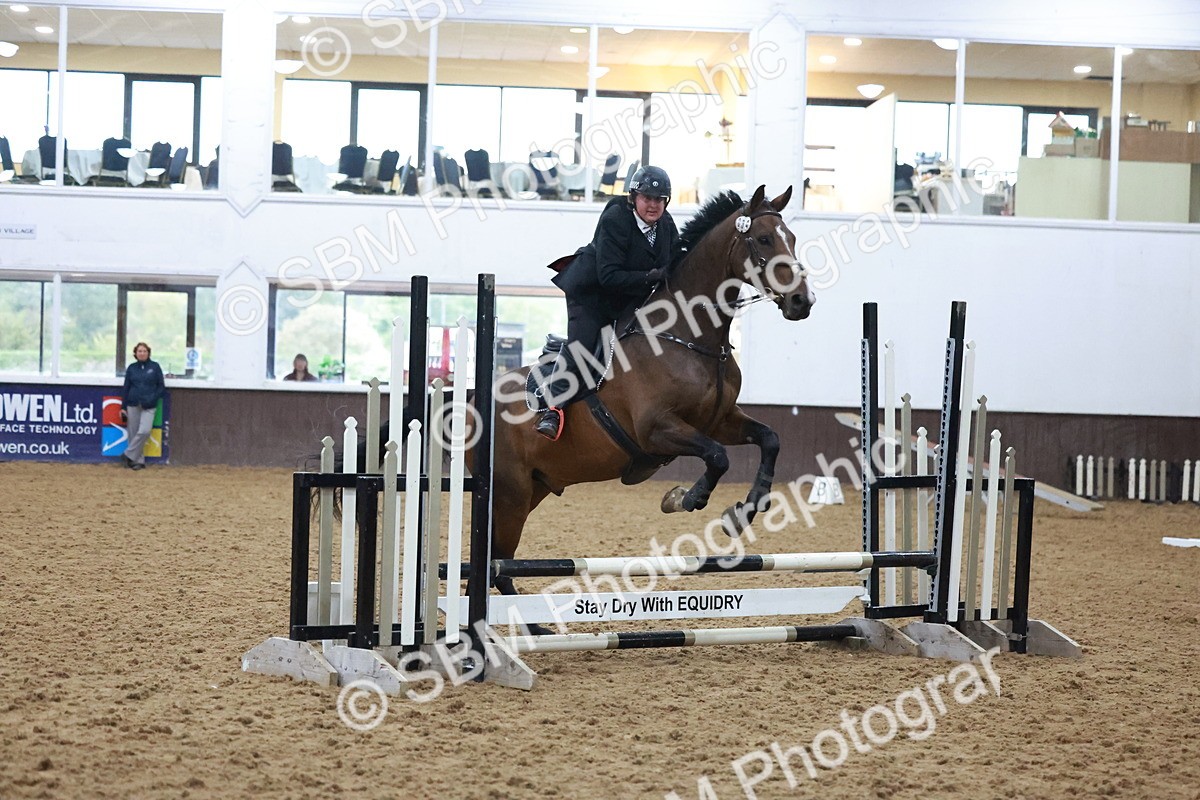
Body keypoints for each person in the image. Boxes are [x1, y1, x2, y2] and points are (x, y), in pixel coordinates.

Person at [535, 165, 680, 440]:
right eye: (647, 198)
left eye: (659, 200)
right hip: (592, 293)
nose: (653, 205)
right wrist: (652, 275)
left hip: (627, 295)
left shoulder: (666, 224)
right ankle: (553, 409)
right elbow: (609, 276)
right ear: (633, 197)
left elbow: (675, 259)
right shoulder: (615, 218)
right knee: (585, 346)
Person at [121, 342, 165, 471]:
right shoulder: (131, 368)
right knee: (133, 433)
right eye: (139, 351)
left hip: (149, 405)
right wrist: (123, 407)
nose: (142, 353)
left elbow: (161, 387)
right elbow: (126, 388)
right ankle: (137, 461)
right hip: (133, 403)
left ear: (148, 353)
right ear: (135, 353)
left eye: (144, 351)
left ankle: (127, 454)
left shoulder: (155, 367)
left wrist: (153, 398)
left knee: (144, 431)